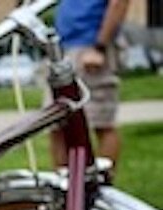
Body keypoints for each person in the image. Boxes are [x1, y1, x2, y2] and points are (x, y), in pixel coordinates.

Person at [51, 0, 130, 169]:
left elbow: (119, 3)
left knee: (101, 122)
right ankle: (66, 189)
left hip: (89, 47)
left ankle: (100, 187)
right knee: (58, 124)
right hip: (64, 46)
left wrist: (99, 47)